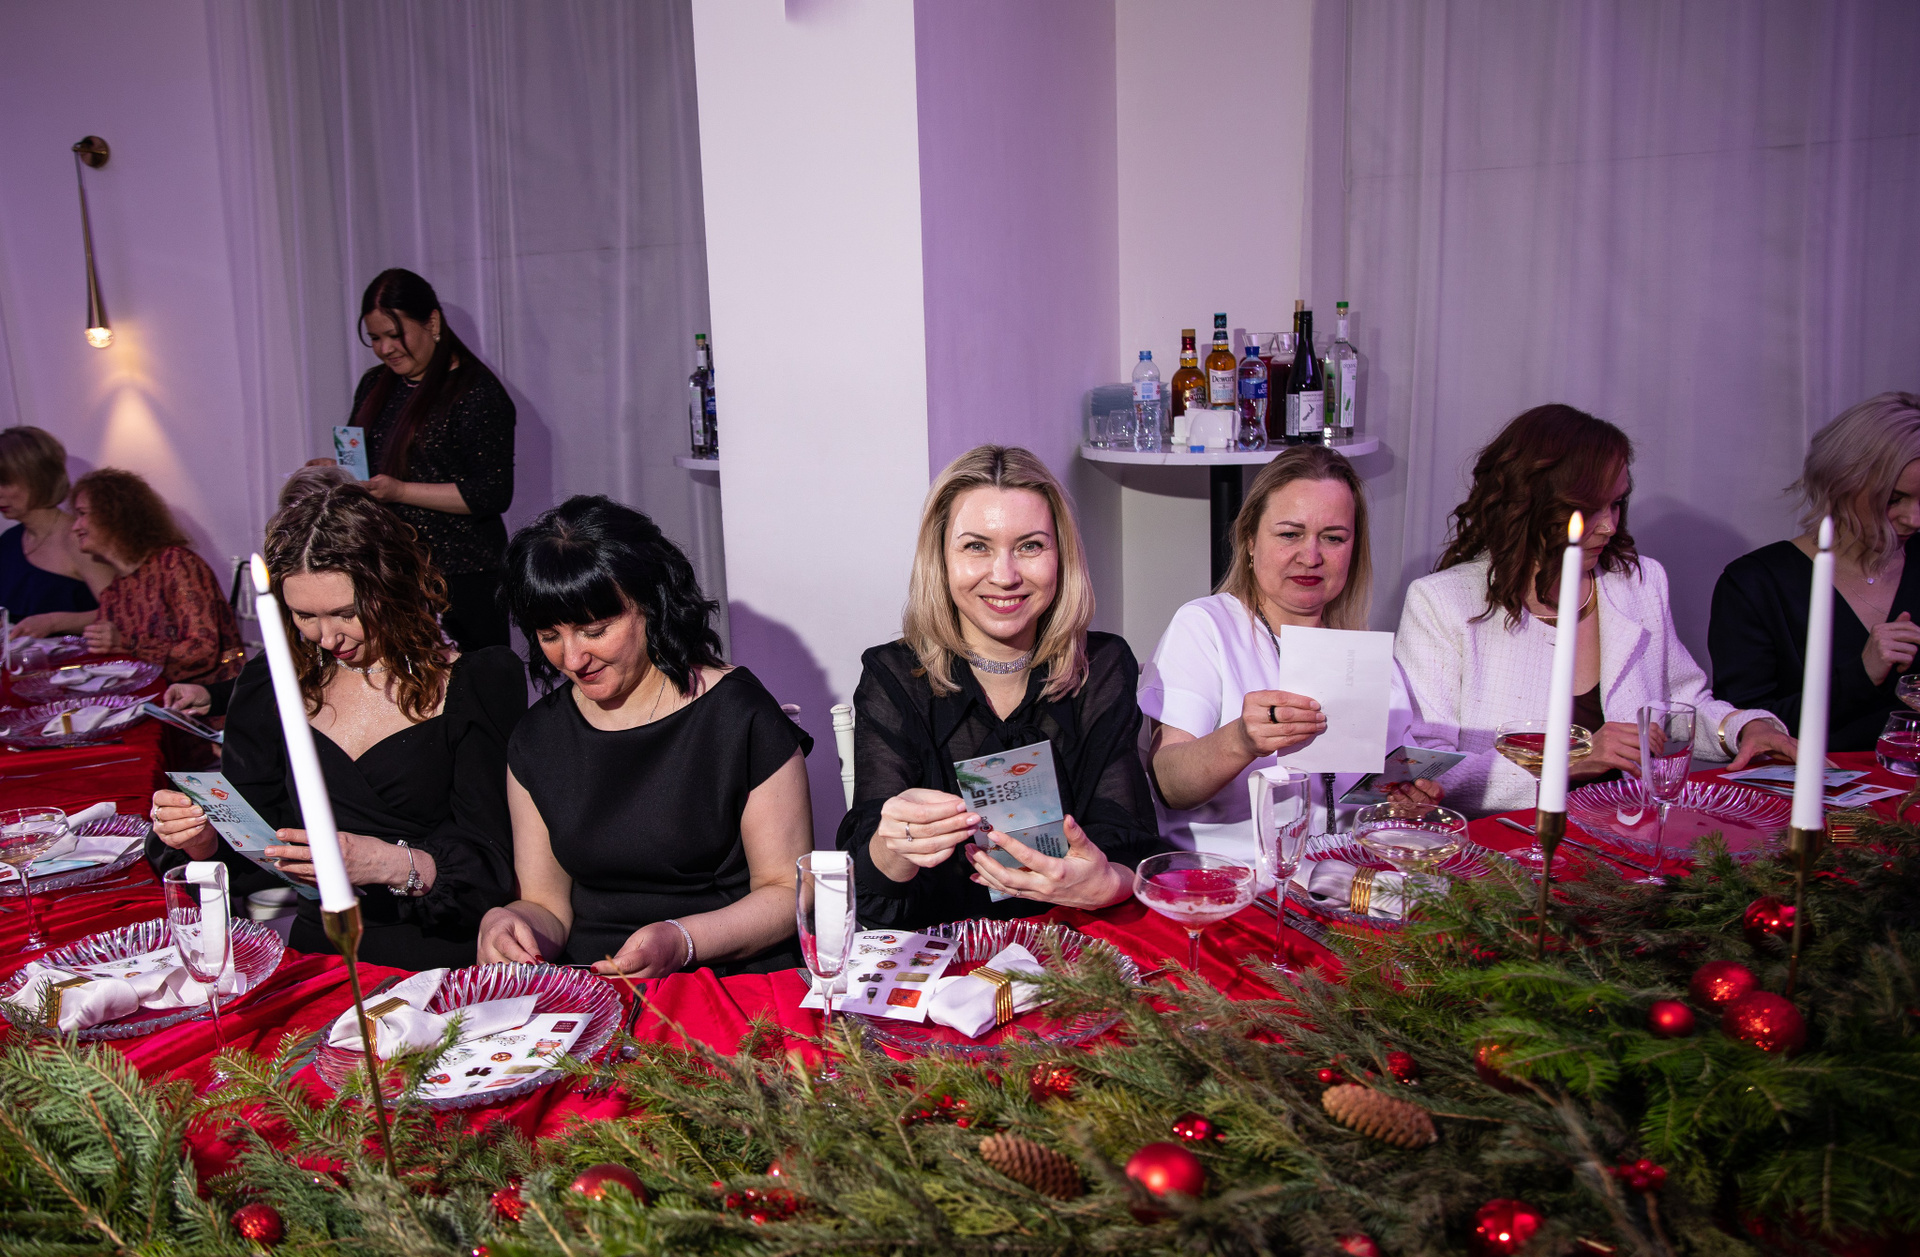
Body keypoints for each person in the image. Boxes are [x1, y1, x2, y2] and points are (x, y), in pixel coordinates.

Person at [146, 479, 526, 968]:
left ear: (392, 588)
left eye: (346, 613)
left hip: (440, 950)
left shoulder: (476, 683)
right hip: (321, 951)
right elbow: (255, 844)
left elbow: (496, 865)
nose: (326, 637)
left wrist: (388, 862)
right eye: (304, 615)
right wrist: (202, 840)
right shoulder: (273, 683)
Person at [1395, 405, 1797, 816]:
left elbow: (1679, 703)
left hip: (1624, 828)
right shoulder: (1442, 602)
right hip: (1506, 839)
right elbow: (1426, 769)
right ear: (1532, 504)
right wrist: (1572, 759)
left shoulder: (1639, 583)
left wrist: (1745, 728)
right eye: (1589, 508)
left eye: (1616, 503)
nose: (1609, 526)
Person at [477, 496, 811, 978]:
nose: (572, 659)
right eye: (549, 636)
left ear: (651, 605)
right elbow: (547, 905)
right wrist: (509, 921)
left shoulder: (738, 716)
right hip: (594, 983)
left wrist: (682, 941)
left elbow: (787, 891)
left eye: (594, 630)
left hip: (723, 975)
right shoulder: (537, 738)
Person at [836, 446, 1166, 931]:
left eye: (1030, 546)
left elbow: (1130, 846)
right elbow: (870, 893)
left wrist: (1106, 884)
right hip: (943, 957)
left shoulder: (1102, 666)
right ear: (940, 558)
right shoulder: (894, 676)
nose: (1005, 576)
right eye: (976, 547)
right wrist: (895, 848)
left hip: (1074, 947)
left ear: (1061, 556)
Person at [1141, 446, 1436, 862]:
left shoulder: (1366, 653)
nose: (1310, 557)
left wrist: (1405, 798)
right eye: (1289, 534)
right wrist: (1240, 740)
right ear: (1249, 540)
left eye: (1333, 538)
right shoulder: (1207, 625)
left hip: (1346, 873)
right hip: (1231, 877)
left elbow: (1388, 785)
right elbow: (1169, 785)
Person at [1711, 392, 1920, 751]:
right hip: (1813, 781)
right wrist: (1861, 674)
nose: (1913, 519)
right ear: (1842, 483)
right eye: (1893, 499)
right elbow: (1750, 727)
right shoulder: (1756, 584)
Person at [346, 268, 516, 651]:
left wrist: (400, 491)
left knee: (469, 680)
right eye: (375, 338)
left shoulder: (476, 393)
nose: (385, 349)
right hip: (392, 569)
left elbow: (491, 493)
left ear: (432, 323)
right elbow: (365, 465)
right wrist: (336, 472)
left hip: (464, 575)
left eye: (395, 335)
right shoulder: (375, 384)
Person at [69, 469, 242, 687]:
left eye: (82, 514)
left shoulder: (176, 564)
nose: (75, 526)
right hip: (156, 697)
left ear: (113, 515)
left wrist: (127, 643)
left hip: (212, 699)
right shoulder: (115, 590)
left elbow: (202, 650)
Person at [0, 426, 112, 633]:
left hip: (81, 653)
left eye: (5, 483)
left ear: (38, 479)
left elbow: (121, 612)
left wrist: (55, 622)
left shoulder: (79, 538)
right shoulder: (8, 541)